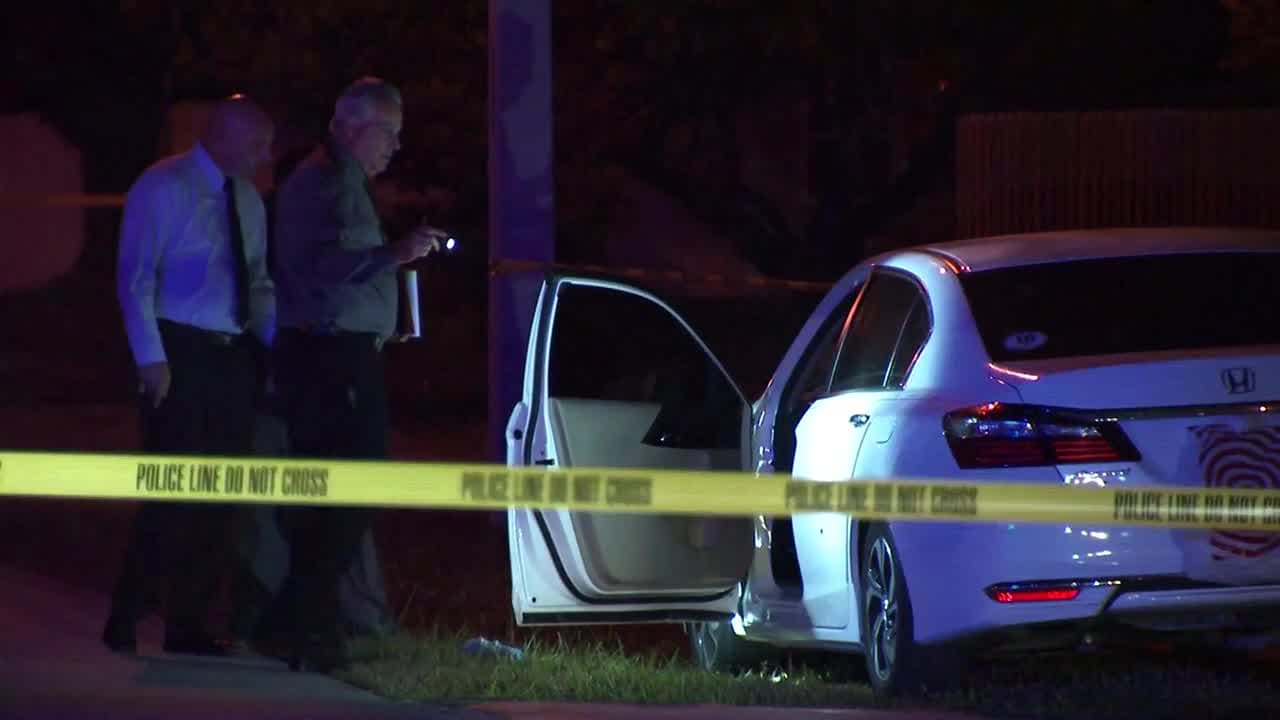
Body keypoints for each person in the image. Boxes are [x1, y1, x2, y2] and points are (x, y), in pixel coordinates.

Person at [268, 76, 444, 671]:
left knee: (345, 490)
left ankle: (292, 621)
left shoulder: (341, 181)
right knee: (350, 488)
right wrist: (395, 254)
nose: (395, 146)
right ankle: (304, 625)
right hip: (329, 355)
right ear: (350, 126)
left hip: (341, 352)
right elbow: (321, 265)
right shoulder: (323, 181)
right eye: (388, 132)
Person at [104, 94, 276, 655]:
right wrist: (150, 358)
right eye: (256, 144)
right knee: (172, 489)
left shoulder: (247, 199)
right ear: (223, 135)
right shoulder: (164, 186)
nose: (264, 156)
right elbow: (135, 277)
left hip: (231, 353)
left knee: (222, 495)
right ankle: (129, 608)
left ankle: (188, 621)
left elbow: (257, 278)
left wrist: (273, 345)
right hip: (179, 348)